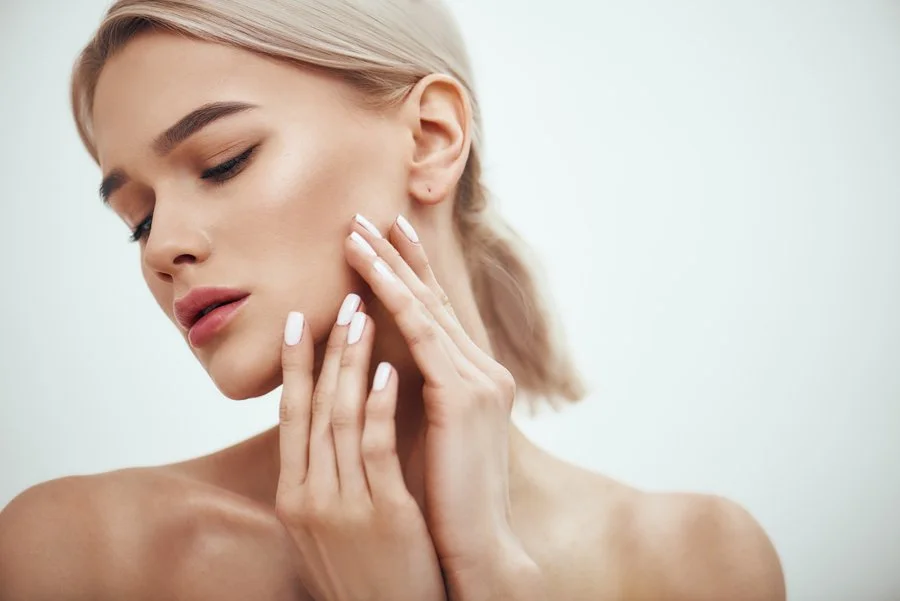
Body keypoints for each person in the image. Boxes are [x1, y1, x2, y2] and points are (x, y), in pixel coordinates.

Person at [0, 1, 786, 599]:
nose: (165, 244)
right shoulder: (82, 553)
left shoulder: (698, 562)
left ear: (432, 136)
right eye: (135, 218)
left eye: (222, 161)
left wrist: (489, 571)